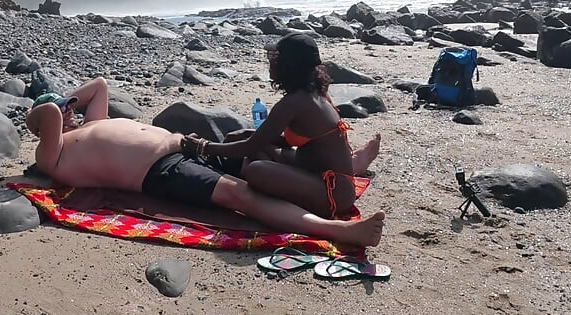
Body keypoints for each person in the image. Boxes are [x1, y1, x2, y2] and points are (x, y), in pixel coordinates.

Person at [25, 76, 385, 247]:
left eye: (70, 107)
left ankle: (342, 170)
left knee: (254, 156)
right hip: (159, 171)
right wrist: (54, 107)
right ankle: (335, 229)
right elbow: (45, 115)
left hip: (185, 148)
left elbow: (101, 86)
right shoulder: (52, 153)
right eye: (62, 109)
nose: (69, 112)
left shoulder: (92, 123)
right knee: (239, 194)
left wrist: (67, 101)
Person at [182, 33, 380, 220]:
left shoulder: (294, 103)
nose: (270, 63)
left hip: (332, 195)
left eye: (274, 58)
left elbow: (250, 147)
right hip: (322, 176)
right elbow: (275, 140)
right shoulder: (315, 93)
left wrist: (202, 146)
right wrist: (247, 134)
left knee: (256, 169)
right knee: (258, 149)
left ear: (287, 65)